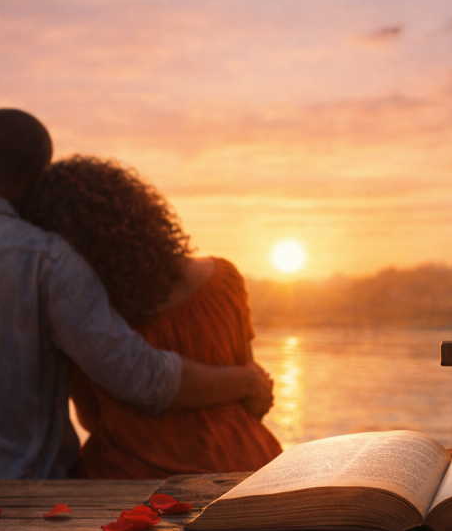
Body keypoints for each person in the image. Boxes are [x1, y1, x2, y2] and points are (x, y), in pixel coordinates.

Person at [0, 109, 273, 479]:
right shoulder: (51, 262)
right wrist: (247, 380)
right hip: (18, 491)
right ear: (38, 181)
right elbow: (139, 377)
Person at [20, 155, 283, 479]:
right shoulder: (224, 280)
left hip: (140, 476)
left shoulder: (94, 319)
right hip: (251, 465)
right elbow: (255, 402)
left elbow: (91, 418)